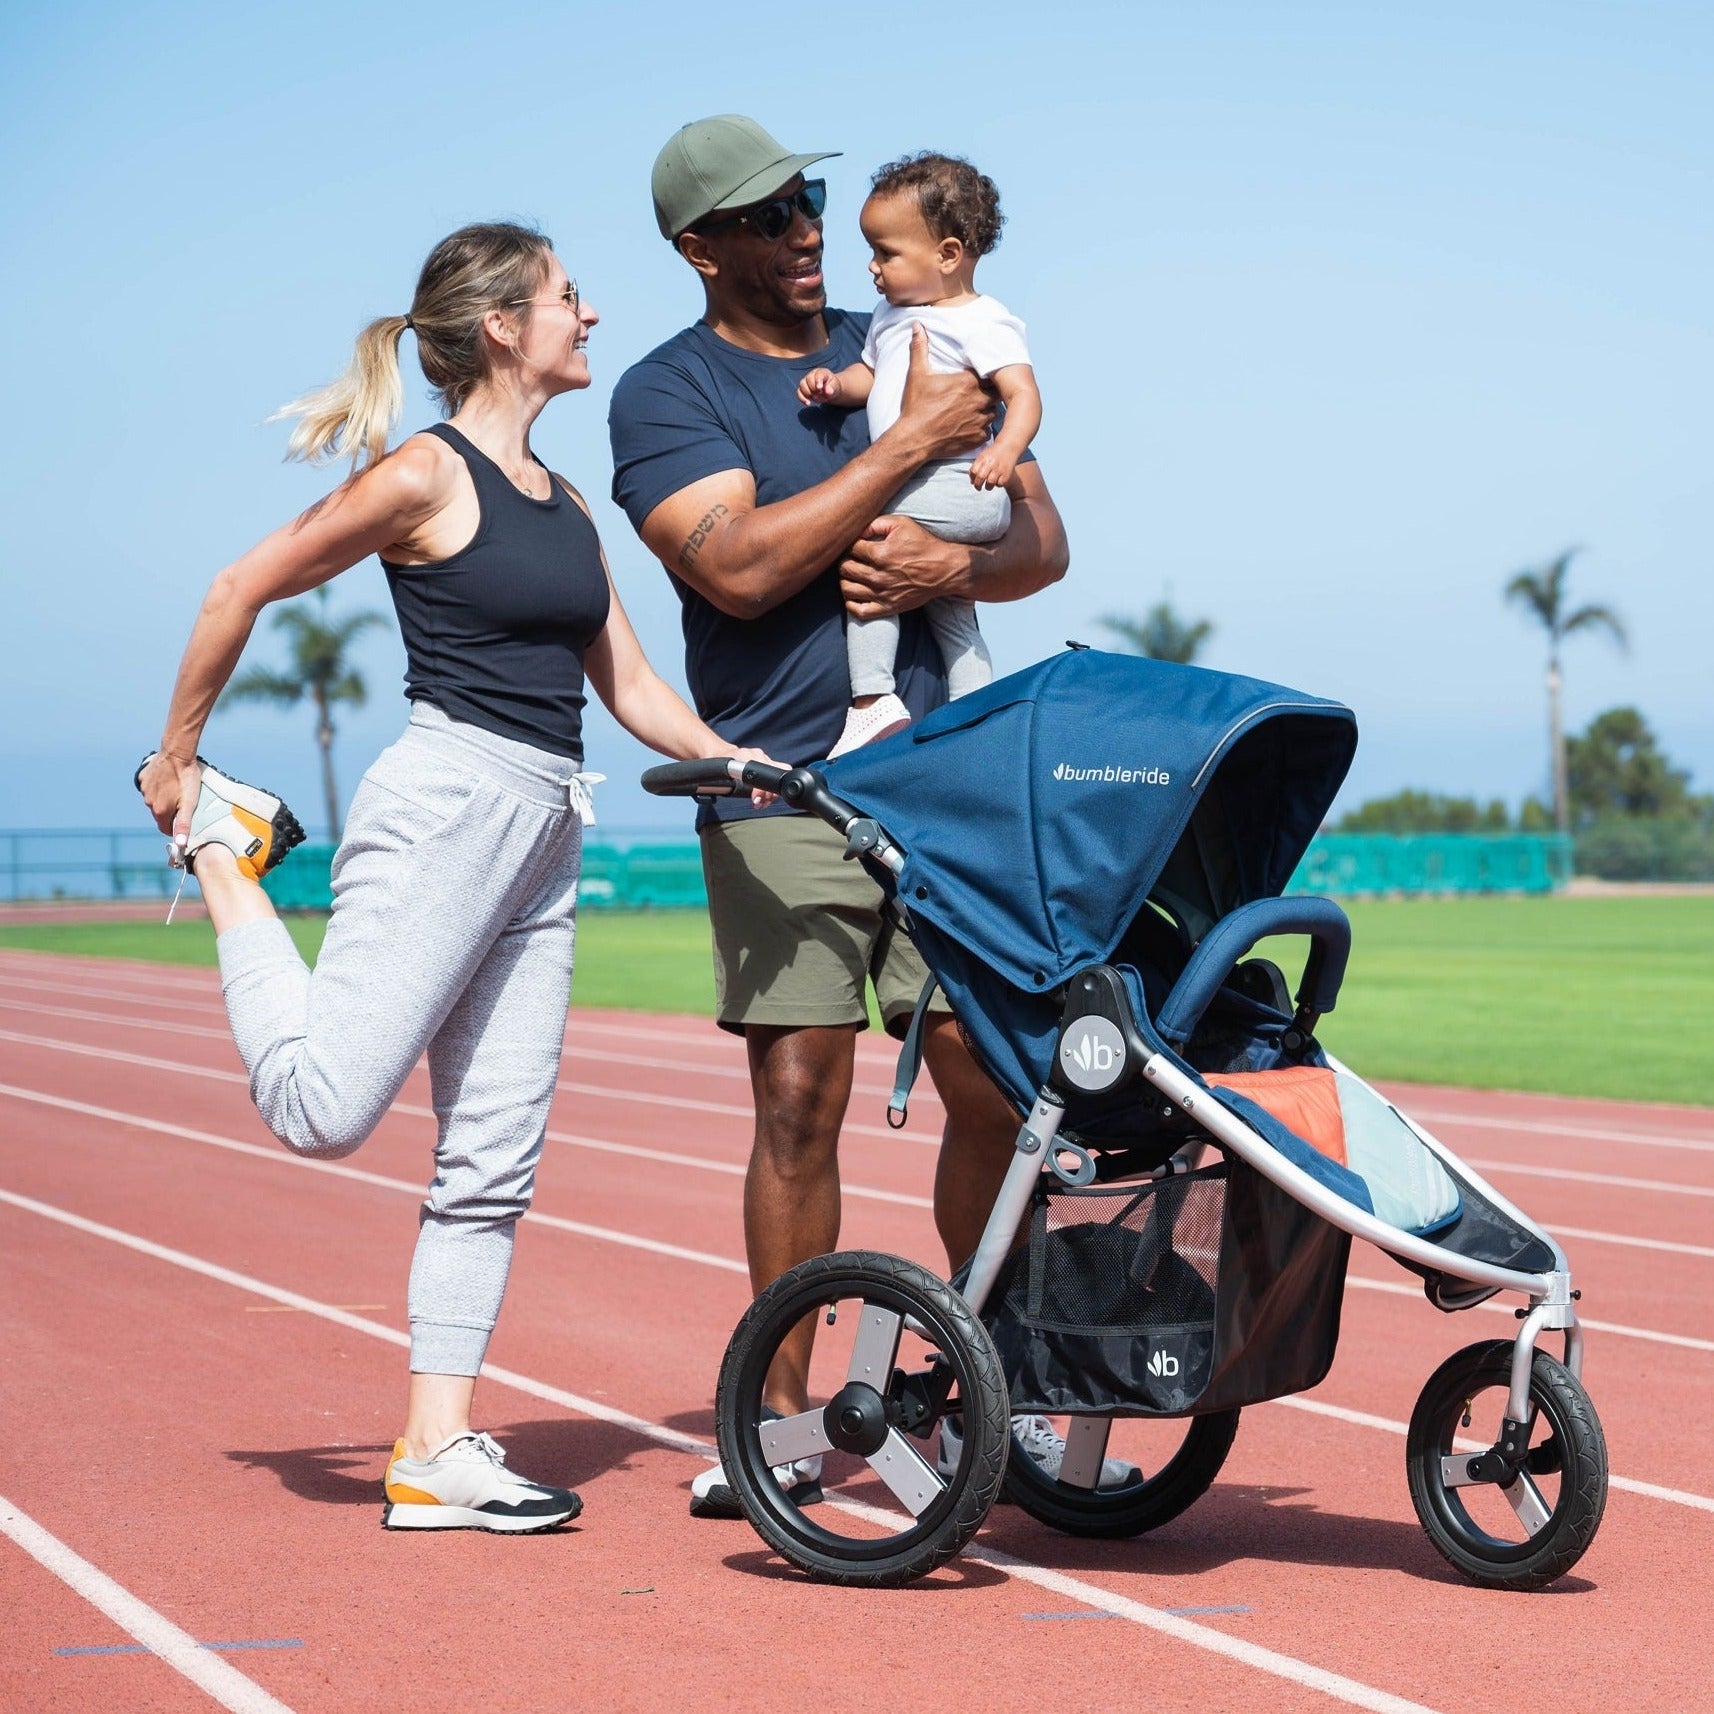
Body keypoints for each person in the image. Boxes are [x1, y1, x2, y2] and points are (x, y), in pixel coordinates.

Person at [137, 221, 775, 1534]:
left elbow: (634, 686)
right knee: (322, 1109)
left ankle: (436, 1450)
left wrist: (732, 755)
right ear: (501, 326)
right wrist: (178, 759)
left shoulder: (564, 502)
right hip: (444, 803)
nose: (587, 315)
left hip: (546, 819)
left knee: (491, 1161)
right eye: (566, 298)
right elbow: (239, 582)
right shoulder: (423, 475)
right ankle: (222, 851)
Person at [610, 116, 1129, 1514]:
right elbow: (736, 569)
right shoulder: (668, 396)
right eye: (768, 212)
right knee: (798, 1095)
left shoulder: (913, 315)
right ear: (694, 246)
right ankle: (775, 1427)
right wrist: (895, 458)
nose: (804, 230)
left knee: (989, 1080)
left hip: (943, 779)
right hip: (778, 782)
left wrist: (933, 561)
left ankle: (992, 1394)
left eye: (813, 202)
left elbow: (1041, 541)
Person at [798, 151, 1043, 757]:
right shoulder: (892, 316)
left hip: (964, 485)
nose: (872, 267)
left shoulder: (983, 321)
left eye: (887, 252)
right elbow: (869, 375)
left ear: (949, 255)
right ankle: (975, 717)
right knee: (953, 617)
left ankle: (872, 698)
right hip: (941, 491)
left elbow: (1024, 396)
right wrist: (836, 387)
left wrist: (1006, 452)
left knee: (869, 542)